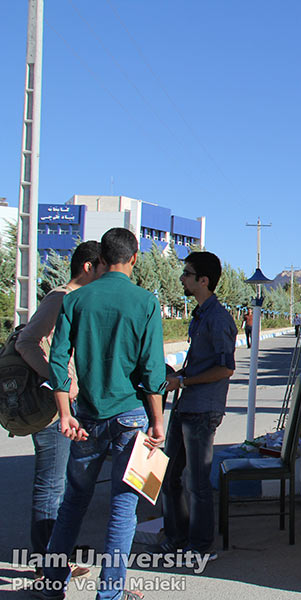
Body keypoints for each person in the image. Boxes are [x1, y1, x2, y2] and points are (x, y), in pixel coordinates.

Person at [40, 228, 167, 600]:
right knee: (122, 509)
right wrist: (157, 421)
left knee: (73, 503)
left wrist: (65, 413)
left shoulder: (76, 300)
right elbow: (152, 370)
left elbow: (58, 360)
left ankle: (50, 586)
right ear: (135, 257)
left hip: (87, 417)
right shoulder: (145, 302)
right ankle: (109, 594)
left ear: (101, 258)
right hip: (130, 417)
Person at [16, 242, 104, 580]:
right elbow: (27, 342)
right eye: (102, 268)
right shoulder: (60, 298)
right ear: (88, 267)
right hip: (53, 409)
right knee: (50, 485)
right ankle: (45, 564)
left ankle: (56, 557)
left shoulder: (78, 300)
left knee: (64, 486)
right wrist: (58, 380)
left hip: (71, 406)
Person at [152, 251, 236, 559]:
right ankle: (177, 537)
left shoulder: (218, 319)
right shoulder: (200, 315)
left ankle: (201, 547)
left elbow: (226, 368)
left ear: (203, 280)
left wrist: (184, 381)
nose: (182, 279)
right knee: (170, 474)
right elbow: (201, 364)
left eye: (187, 274)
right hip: (186, 404)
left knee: (197, 483)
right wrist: (178, 375)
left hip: (202, 409)